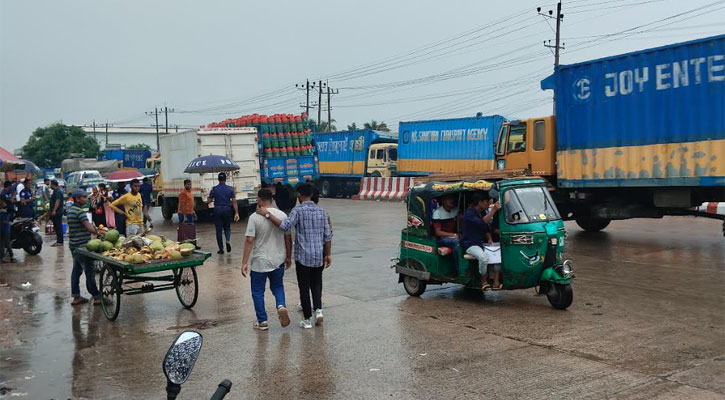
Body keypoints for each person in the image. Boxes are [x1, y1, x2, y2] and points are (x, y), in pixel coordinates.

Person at [259, 183, 332, 329]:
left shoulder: (297, 211)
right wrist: (328, 254)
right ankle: (318, 311)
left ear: (299, 195)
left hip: (303, 256)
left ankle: (307, 319)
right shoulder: (322, 212)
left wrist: (267, 214)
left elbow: (285, 226)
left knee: (304, 287)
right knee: (317, 284)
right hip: (318, 254)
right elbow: (327, 236)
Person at [241, 188, 292, 330]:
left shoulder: (254, 217)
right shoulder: (282, 215)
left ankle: (262, 321)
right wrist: (288, 256)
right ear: (272, 199)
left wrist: (244, 262)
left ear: (259, 200)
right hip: (278, 259)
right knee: (277, 286)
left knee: (258, 291)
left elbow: (249, 240)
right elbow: (288, 237)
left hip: (260, 261)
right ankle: (281, 305)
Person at [66, 189, 102, 305]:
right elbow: (90, 228)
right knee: (89, 272)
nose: (86, 199)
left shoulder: (71, 210)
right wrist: (101, 233)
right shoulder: (80, 212)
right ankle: (97, 297)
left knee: (76, 271)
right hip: (82, 247)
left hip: (74, 245)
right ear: (77, 199)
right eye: (84, 197)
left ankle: (76, 297)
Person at [463, 193, 502, 291]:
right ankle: (483, 281)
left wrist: (489, 239)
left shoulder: (483, 213)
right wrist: (493, 210)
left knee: (498, 254)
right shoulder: (469, 214)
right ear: (480, 203)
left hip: (482, 243)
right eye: (486, 202)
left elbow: (485, 229)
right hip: (471, 244)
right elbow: (482, 222)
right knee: (483, 258)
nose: (488, 204)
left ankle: (496, 282)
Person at [207, 172, 239, 254]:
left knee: (218, 230)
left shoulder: (214, 189)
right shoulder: (230, 189)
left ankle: (221, 249)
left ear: (218, 179)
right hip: (227, 209)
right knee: (227, 228)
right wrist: (236, 213)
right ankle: (227, 240)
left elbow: (209, 201)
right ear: (225, 179)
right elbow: (234, 202)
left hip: (217, 210)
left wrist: (210, 197)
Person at [432, 194, 460, 274]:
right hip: (441, 239)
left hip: (453, 236)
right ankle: (457, 269)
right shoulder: (437, 213)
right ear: (443, 201)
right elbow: (438, 232)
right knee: (456, 243)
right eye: (449, 199)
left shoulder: (455, 210)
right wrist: (453, 235)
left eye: (452, 198)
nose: (452, 200)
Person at [177, 179, 197, 244]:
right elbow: (182, 205)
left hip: (190, 213)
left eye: (190, 184)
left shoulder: (190, 192)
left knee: (191, 229)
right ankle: (183, 243)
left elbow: (190, 203)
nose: (189, 186)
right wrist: (184, 216)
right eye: (188, 184)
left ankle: (192, 243)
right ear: (184, 185)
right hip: (184, 214)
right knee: (184, 229)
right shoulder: (183, 193)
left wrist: (193, 212)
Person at [0, 184, 16, 263]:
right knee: (2, 243)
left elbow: (13, 214)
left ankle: (11, 257)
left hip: (6, 227)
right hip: (2, 227)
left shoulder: (9, 208)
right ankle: (2, 258)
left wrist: (9, 220)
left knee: (7, 243)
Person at [49, 179, 65, 247]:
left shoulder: (57, 191)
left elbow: (57, 201)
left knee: (58, 226)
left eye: (50, 184)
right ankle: (59, 241)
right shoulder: (57, 191)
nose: (50, 185)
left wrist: (54, 210)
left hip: (57, 212)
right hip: (57, 211)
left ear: (53, 184)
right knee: (57, 226)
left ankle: (60, 242)